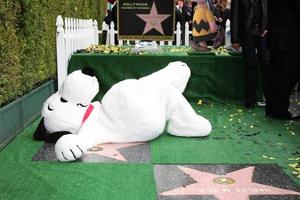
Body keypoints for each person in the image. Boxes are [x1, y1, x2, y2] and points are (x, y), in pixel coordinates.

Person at [230, 0, 269, 108]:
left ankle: (269, 98)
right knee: (250, 65)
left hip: (263, 32)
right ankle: (250, 100)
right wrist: (235, 39)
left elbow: (270, 12)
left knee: (266, 63)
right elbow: (234, 15)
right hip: (247, 32)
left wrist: (267, 28)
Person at [266, 0, 300, 120]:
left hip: (276, 39)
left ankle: (272, 108)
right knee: (286, 77)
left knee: (276, 75)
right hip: (290, 40)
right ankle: (280, 110)